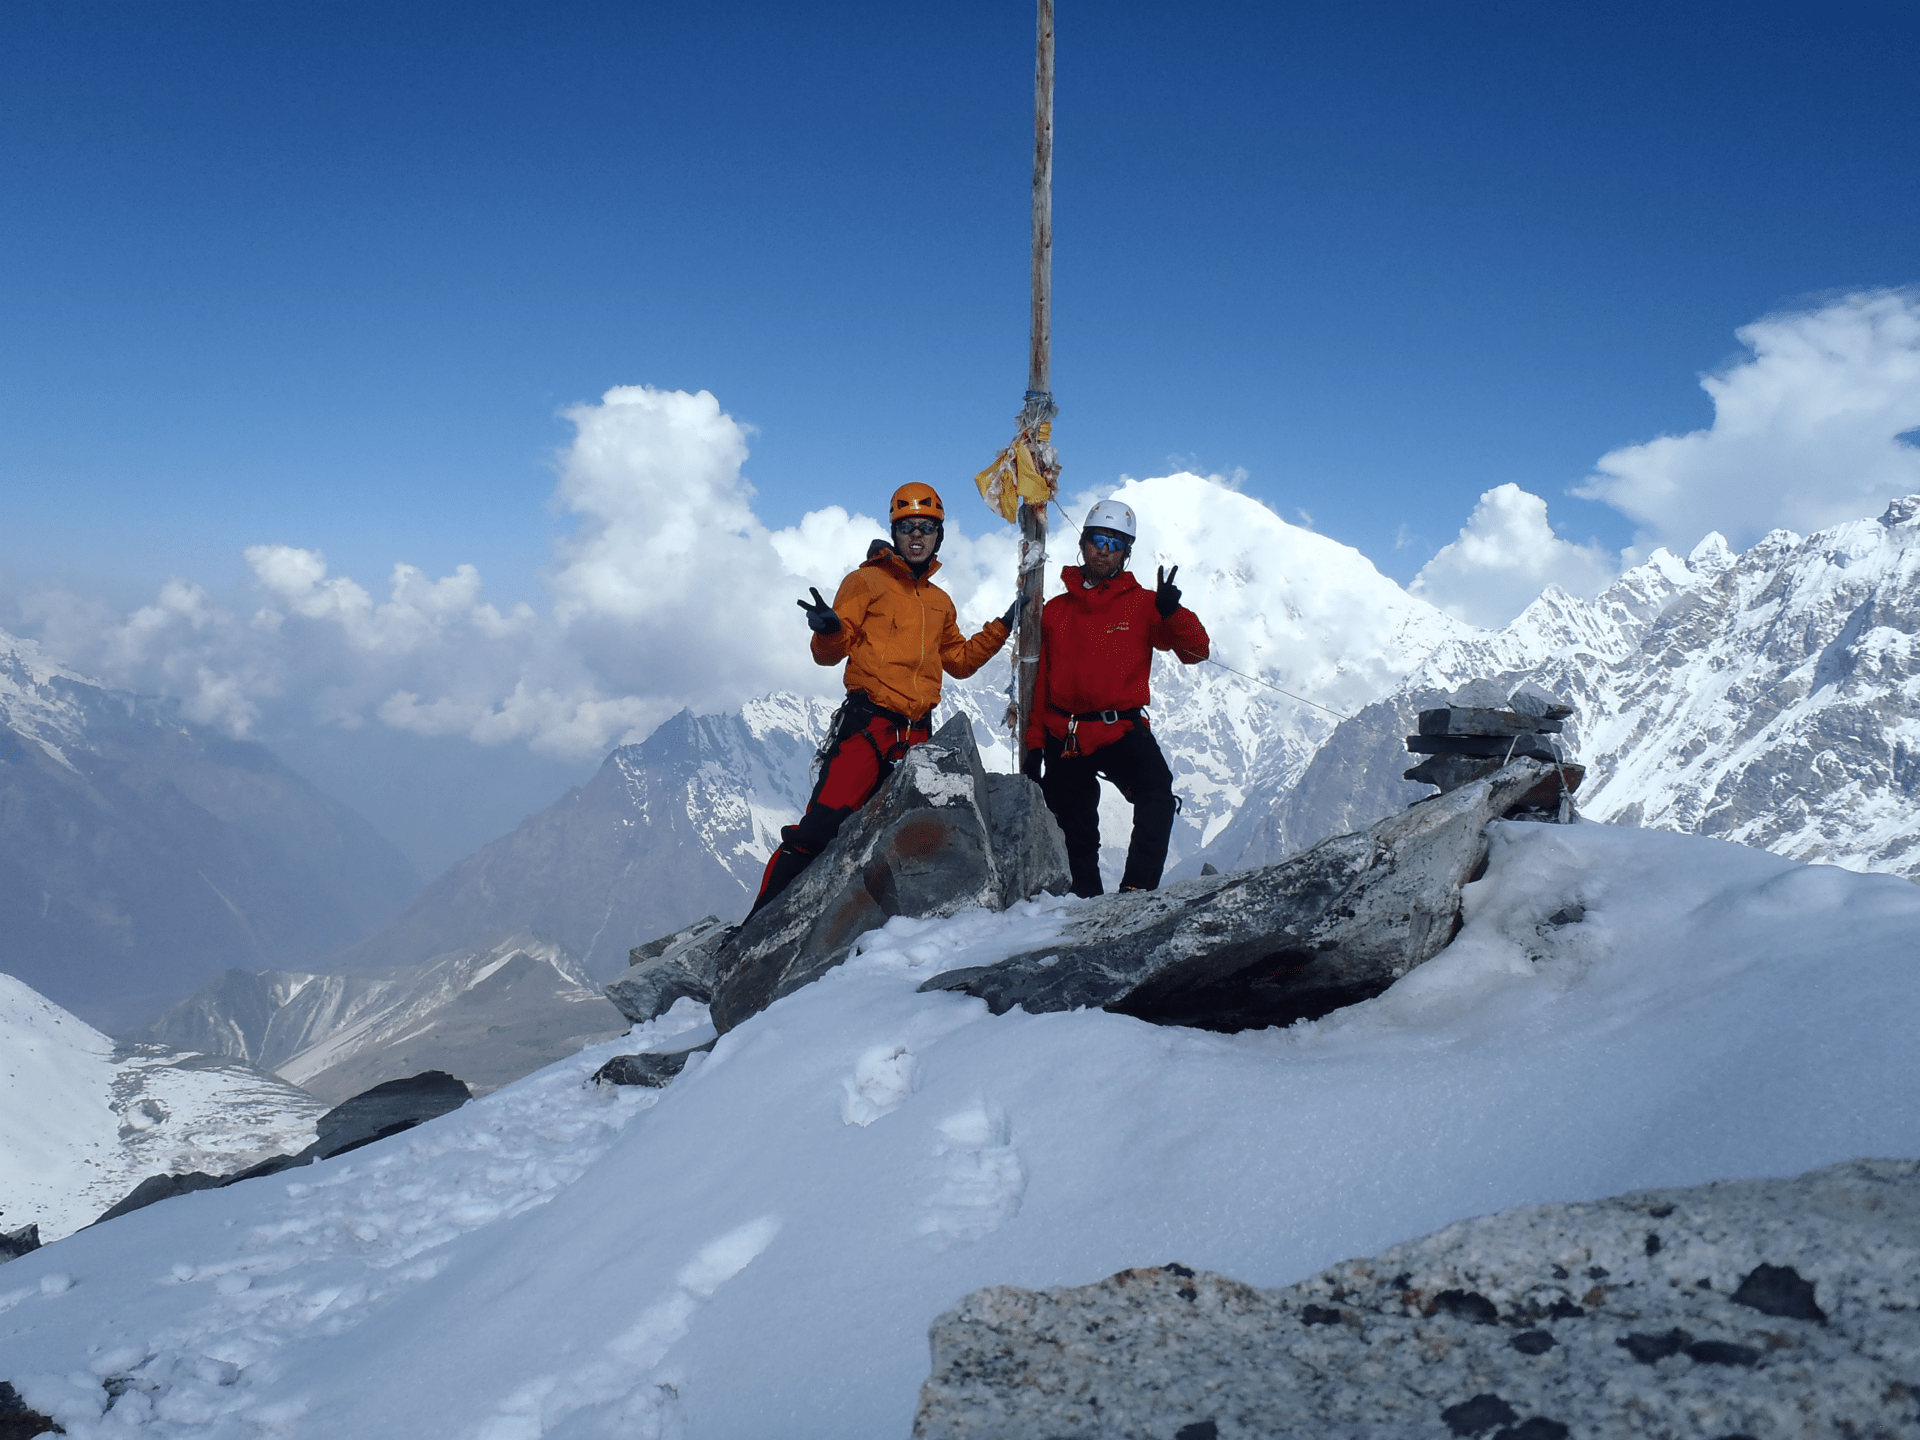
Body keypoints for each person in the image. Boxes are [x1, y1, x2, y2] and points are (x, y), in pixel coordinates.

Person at [749, 482, 1023, 917]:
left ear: (939, 536)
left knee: (905, 839)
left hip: (918, 734)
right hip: (868, 727)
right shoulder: (865, 582)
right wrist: (827, 630)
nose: (917, 536)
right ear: (894, 533)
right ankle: (753, 926)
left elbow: (959, 661)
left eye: (927, 528)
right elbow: (830, 654)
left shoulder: (940, 602)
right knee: (820, 829)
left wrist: (1003, 626)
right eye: (908, 527)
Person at [1022, 497, 1209, 898]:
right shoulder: (1055, 611)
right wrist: (1035, 745)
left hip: (1119, 728)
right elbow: (1042, 683)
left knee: (1157, 795)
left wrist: (1173, 613)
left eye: (1115, 543)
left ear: (1126, 553)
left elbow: (1196, 653)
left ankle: (1136, 891)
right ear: (1083, 543)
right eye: (1097, 540)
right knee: (1075, 829)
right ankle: (1084, 905)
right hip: (1066, 732)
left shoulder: (1144, 606)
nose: (1104, 551)